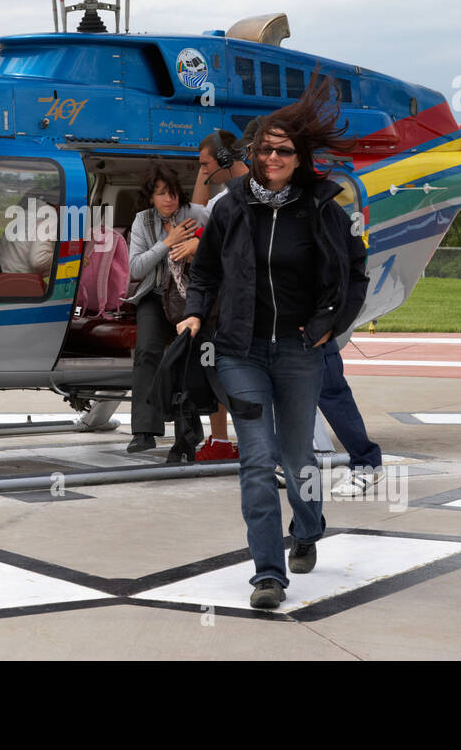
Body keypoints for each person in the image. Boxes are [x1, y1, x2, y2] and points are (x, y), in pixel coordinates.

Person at [177, 77, 368, 608]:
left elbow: (356, 273)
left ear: (299, 155)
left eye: (283, 149)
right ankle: (268, 574)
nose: (273, 156)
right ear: (254, 154)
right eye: (264, 148)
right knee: (257, 459)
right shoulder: (231, 207)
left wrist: (332, 323)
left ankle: (308, 528)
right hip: (240, 351)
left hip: (301, 351)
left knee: (297, 455)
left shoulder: (323, 209)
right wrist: (194, 315)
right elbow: (206, 271)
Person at [126, 161, 211, 459]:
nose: (169, 199)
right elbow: (135, 267)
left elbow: (221, 239)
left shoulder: (196, 214)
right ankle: (144, 430)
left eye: (173, 192)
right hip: (155, 294)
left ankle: (187, 435)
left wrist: (196, 242)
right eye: (161, 193)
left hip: (189, 296)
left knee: (185, 359)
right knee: (147, 351)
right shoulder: (142, 222)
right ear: (150, 196)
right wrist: (168, 243)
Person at [190, 130, 251, 461]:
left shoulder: (261, 192)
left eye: (206, 164)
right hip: (224, 303)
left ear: (227, 160)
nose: (203, 171)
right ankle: (222, 439)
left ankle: (254, 438)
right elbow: (195, 216)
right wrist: (204, 171)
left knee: (241, 372)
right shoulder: (220, 201)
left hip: (249, 304)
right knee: (218, 368)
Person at [321, 341, 386, 495]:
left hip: (314, 347)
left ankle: (366, 464)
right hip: (278, 346)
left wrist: (321, 330)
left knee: (335, 402)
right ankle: (283, 464)